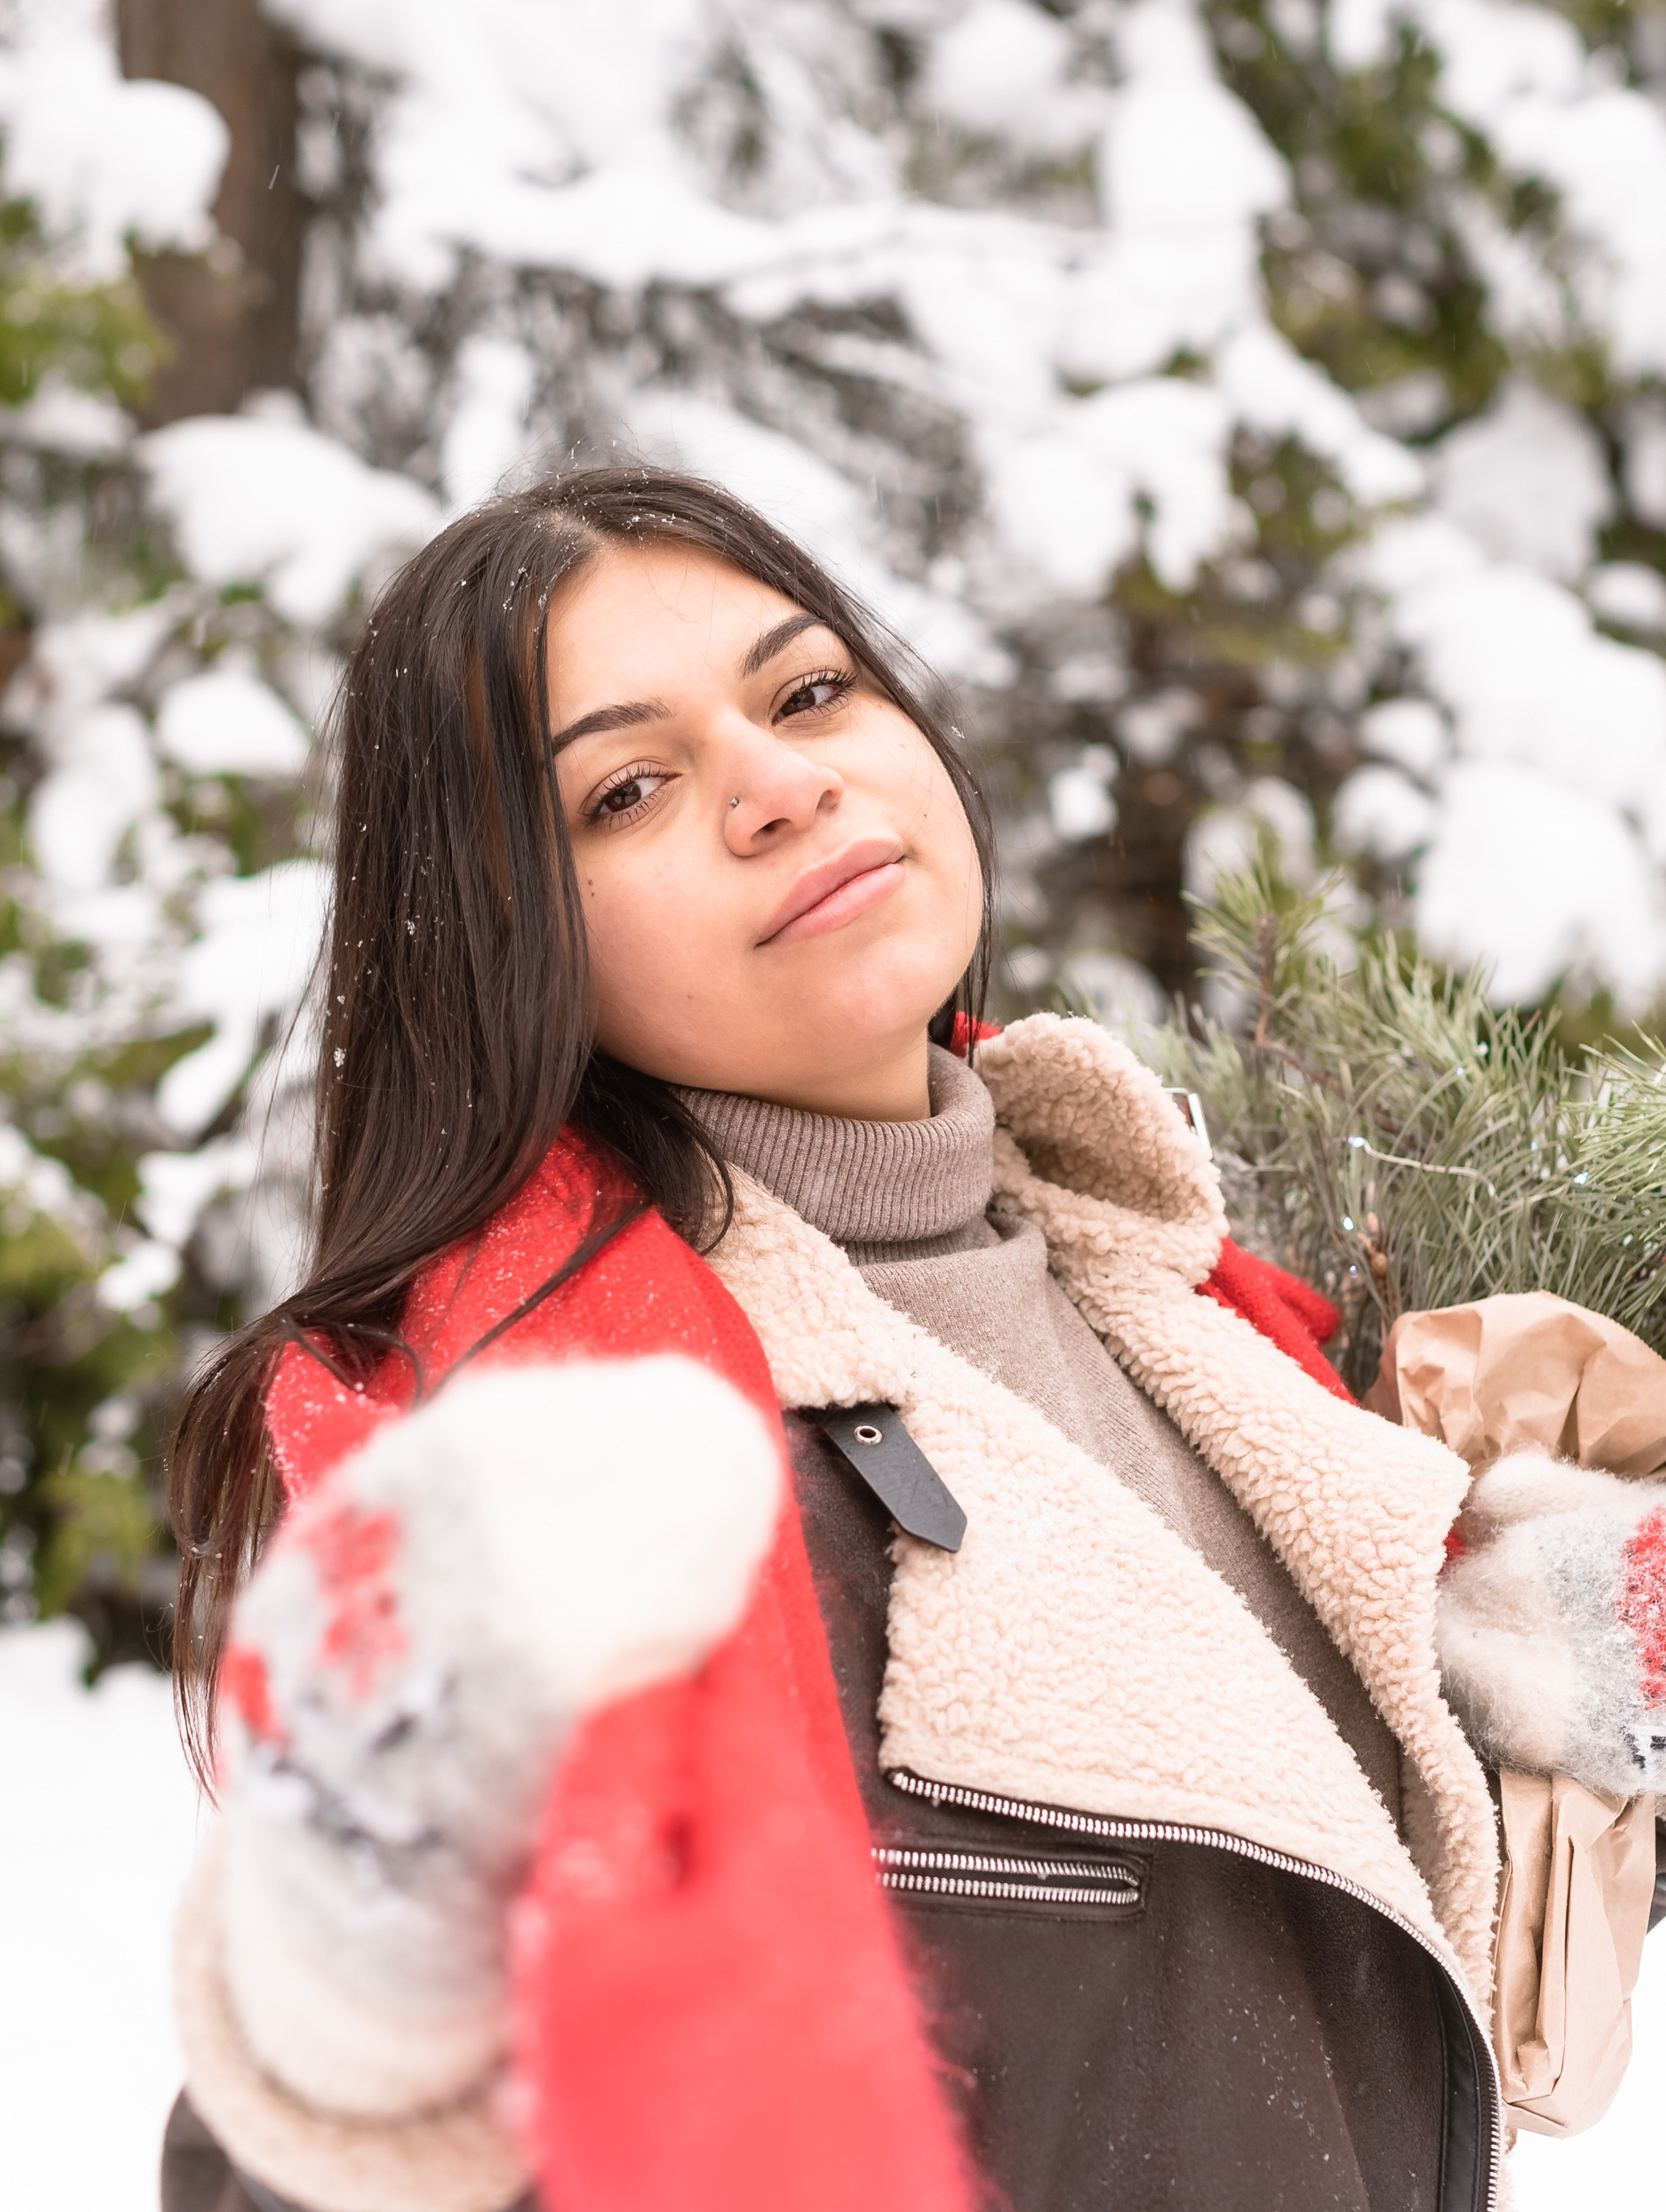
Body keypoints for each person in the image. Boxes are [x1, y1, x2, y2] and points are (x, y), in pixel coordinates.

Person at [160, 467, 1659, 2212]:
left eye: (808, 693)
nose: (781, 786)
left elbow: (1293, 1934)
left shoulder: (1181, 1305)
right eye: (627, 789)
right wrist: (367, 1998)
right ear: (508, 948)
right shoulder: (602, 1479)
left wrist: (1565, 1629)